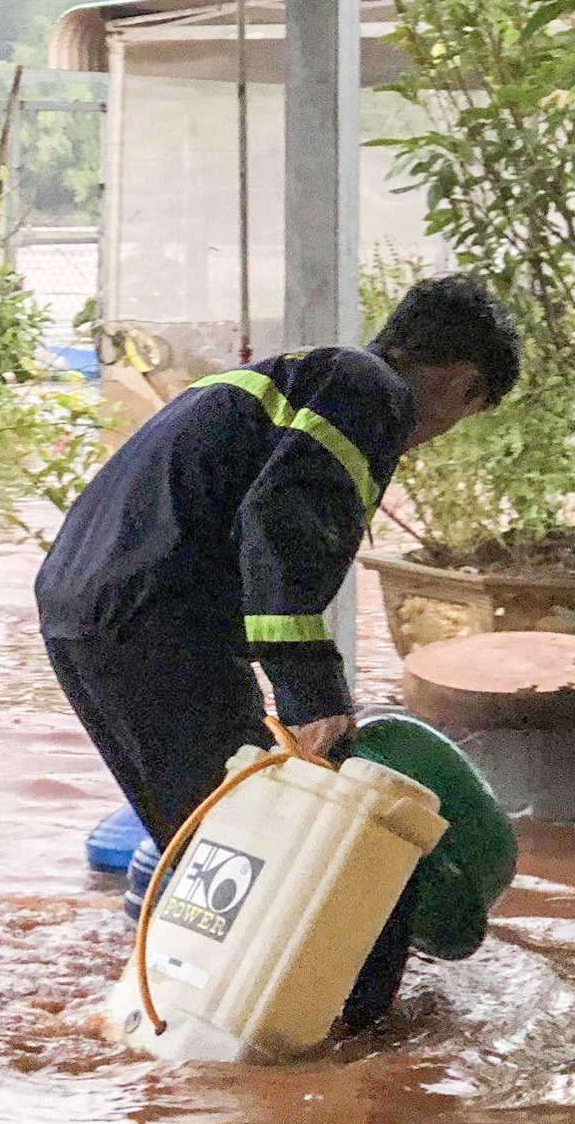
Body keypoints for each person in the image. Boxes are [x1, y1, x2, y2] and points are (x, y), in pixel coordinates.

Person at [37, 274, 519, 1024]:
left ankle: (182, 1018)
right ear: (463, 383)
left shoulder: (305, 378)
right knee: (281, 847)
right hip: (158, 618)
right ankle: (345, 1043)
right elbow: (284, 523)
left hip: (86, 614)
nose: (442, 431)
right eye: (465, 411)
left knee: (207, 842)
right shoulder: (368, 389)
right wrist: (311, 694)